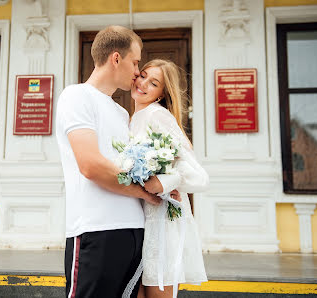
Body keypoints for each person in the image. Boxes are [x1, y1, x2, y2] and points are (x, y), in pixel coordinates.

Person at [56, 26, 162, 298]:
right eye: (135, 62)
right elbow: (90, 165)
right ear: (116, 58)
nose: (138, 71)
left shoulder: (120, 112)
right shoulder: (76, 96)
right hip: (95, 229)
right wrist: (143, 192)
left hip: (133, 231)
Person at [129, 59, 209, 298]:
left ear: (161, 95)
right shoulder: (132, 118)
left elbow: (199, 176)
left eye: (153, 83)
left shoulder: (158, 115)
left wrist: (163, 183)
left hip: (160, 223)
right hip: (138, 220)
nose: (142, 84)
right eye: (142, 75)